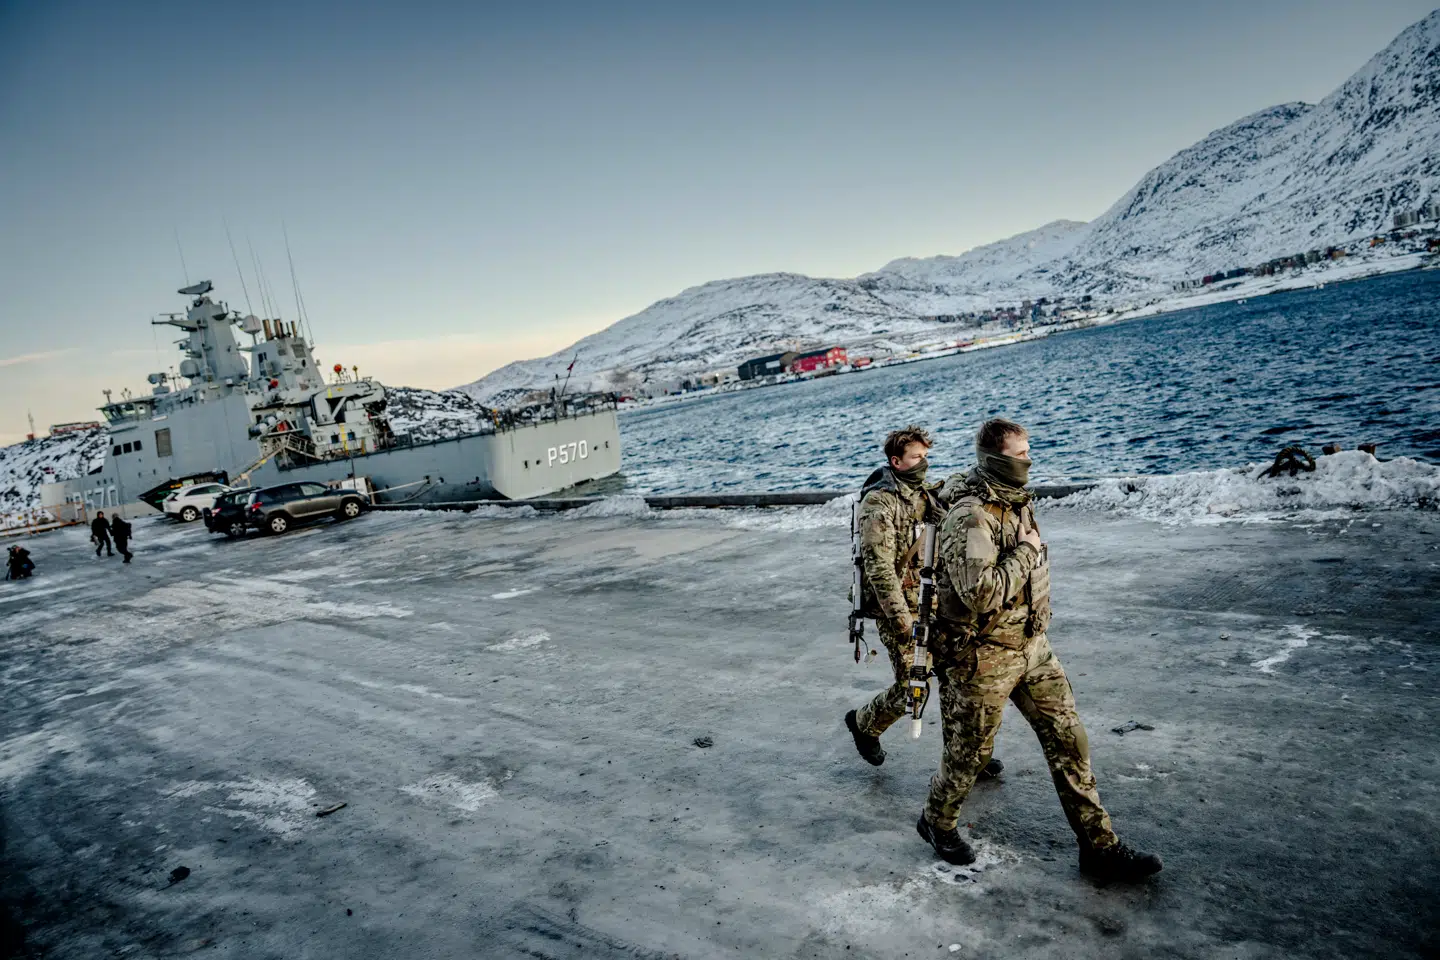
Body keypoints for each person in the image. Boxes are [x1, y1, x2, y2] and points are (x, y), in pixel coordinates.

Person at [916, 417, 1161, 882]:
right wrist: (1027, 552)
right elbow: (980, 594)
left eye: (1029, 450)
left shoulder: (1014, 498)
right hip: (982, 656)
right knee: (968, 756)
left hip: (1031, 645)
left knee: (1070, 740)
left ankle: (1099, 848)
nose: (1029, 460)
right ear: (995, 459)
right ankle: (936, 821)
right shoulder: (969, 516)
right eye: (1020, 453)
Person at [843, 424, 1003, 779]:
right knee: (912, 689)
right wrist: (903, 621)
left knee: (956, 676)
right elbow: (879, 568)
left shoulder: (924, 494)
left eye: (926, 456)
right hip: (896, 607)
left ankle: (965, 757)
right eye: (917, 457)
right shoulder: (878, 504)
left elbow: (957, 490)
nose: (924, 463)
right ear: (896, 461)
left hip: (931, 601)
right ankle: (864, 723)